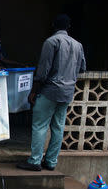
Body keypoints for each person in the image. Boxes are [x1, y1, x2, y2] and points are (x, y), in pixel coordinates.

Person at [17, 14, 86, 171]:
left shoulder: (51, 42)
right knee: (58, 127)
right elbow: (82, 68)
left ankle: (35, 161)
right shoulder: (78, 45)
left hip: (50, 90)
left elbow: (43, 71)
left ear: (53, 25)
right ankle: (51, 162)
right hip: (67, 92)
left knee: (40, 125)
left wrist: (34, 91)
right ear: (69, 27)